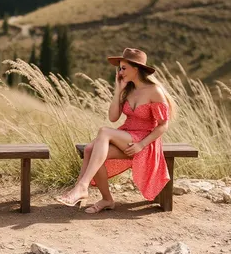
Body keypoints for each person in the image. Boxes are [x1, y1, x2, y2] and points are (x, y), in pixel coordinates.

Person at [55, 48, 175, 213]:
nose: (120, 72)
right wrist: (118, 89)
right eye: (120, 68)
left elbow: (163, 125)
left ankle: (81, 186)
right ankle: (106, 199)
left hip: (144, 140)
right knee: (90, 149)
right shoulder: (128, 89)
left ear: (136, 68)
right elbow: (113, 117)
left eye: (124, 68)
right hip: (125, 135)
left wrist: (141, 144)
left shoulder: (154, 91)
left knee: (104, 132)